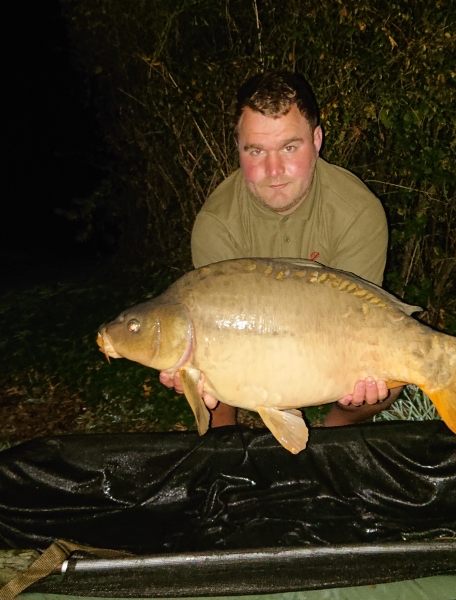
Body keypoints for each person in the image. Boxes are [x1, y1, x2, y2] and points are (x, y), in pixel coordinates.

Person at [160, 71, 402, 427]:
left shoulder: (358, 211)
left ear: (317, 140)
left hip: (333, 341)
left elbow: (362, 317)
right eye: (256, 151)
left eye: (290, 147)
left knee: (387, 381)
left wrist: (366, 370)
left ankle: (333, 437)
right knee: (204, 375)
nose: (273, 170)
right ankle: (224, 456)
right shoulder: (217, 223)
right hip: (247, 345)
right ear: (238, 149)